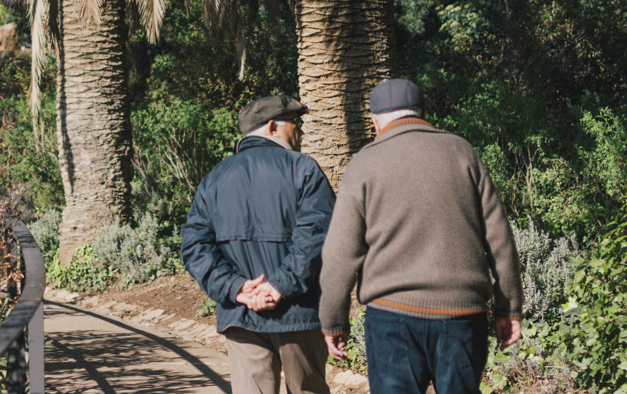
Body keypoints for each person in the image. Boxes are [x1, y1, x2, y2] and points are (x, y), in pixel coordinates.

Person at [317, 79, 524, 394]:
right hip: (462, 313)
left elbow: (340, 253)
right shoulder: (462, 151)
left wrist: (333, 321)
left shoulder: (364, 162)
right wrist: (508, 308)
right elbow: (500, 239)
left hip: (391, 313)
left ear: (374, 121)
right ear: (424, 113)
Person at [181, 94, 336, 394]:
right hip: (298, 314)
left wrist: (236, 288)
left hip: (241, 316)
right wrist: (279, 286)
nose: (300, 131)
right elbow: (317, 235)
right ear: (272, 127)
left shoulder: (215, 178)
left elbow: (194, 245)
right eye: (295, 123)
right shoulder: (303, 169)